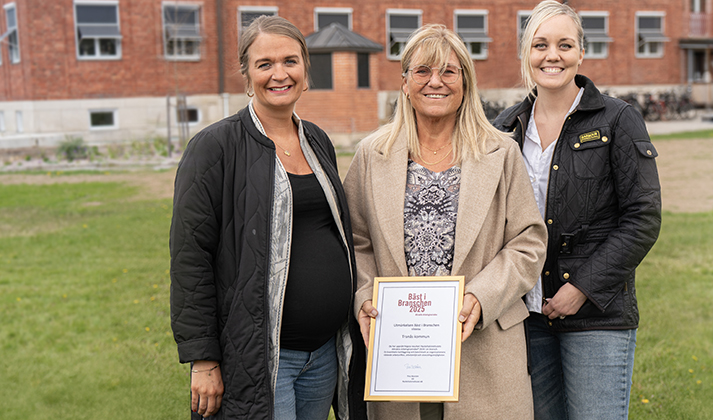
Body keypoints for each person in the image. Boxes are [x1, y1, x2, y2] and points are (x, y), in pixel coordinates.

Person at [343, 24, 547, 420]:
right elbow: (355, 241)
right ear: (405, 84)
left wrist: (481, 297)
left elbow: (528, 241)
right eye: (422, 71)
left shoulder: (500, 152)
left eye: (449, 72)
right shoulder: (372, 154)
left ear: (465, 84)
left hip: (484, 350)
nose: (435, 82)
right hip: (400, 352)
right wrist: (365, 295)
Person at [169, 16, 366, 420]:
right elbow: (191, 257)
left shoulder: (316, 140)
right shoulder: (214, 147)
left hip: (323, 355)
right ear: (247, 74)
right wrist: (203, 359)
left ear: (305, 69)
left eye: (290, 61)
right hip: (261, 359)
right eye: (265, 64)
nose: (280, 74)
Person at [492, 2, 662, 419]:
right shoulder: (504, 129)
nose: (552, 56)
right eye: (540, 45)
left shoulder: (617, 120)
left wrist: (581, 287)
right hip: (527, 317)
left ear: (581, 53)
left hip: (595, 316)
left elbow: (643, 217)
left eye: (565, 45)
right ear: (526, 53)